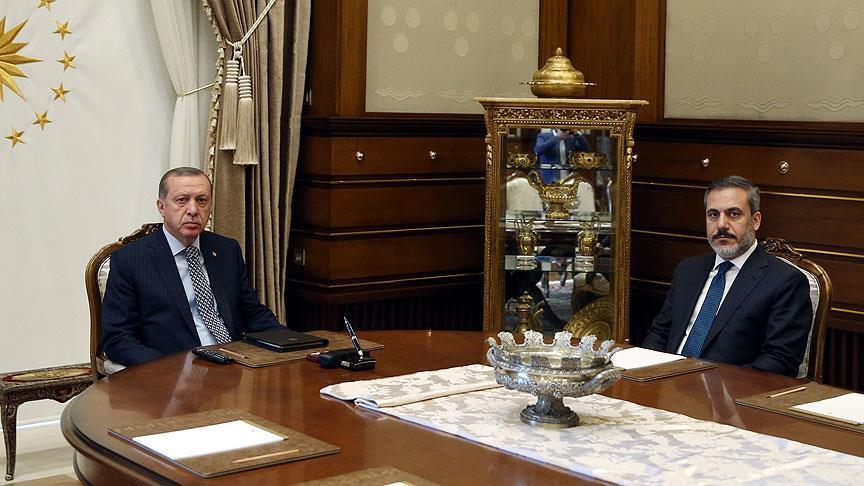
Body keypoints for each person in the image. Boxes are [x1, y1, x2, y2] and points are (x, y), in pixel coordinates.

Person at [101, 167, 284, 367]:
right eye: (182, 200)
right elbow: (117, 338)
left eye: (201, 200)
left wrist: (294, 343)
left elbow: (252, 312)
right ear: (161, 207)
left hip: (236, 363)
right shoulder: (131, 260)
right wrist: (167, 368)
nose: (193, 210)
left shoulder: (226, 250)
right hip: (177, 370)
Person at [642, 175, 812, 376]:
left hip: (729, 390)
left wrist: (713, 387)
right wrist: (649, 374)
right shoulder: (688, 269)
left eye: (733, 214)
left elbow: (780, 360)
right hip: (666, 382)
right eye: (713, 215)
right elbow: (660, 333)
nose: (721, 224)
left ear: (755, 220)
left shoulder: (786, 281)